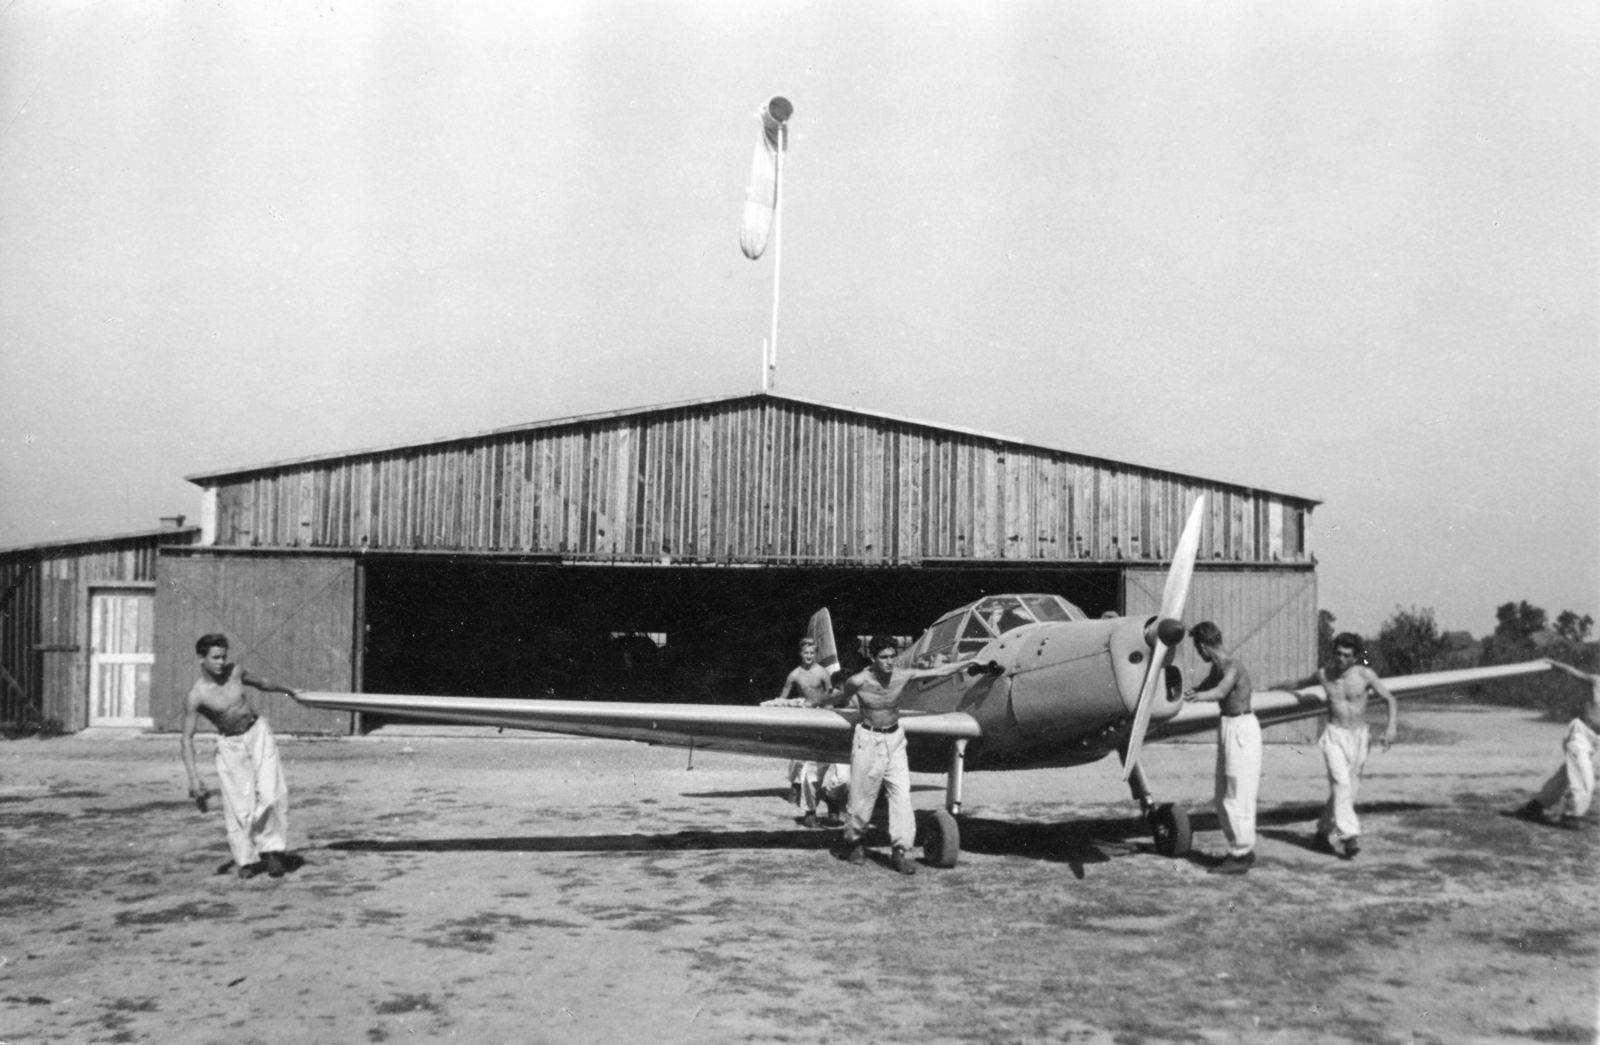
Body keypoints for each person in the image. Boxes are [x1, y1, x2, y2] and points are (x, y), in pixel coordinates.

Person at [180, 634, 299, 879]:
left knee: (271, 793)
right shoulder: (197, 695)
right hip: (231, 745)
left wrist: (290, 691)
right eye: (215, 657)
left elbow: (262, 682)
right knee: (239, 806)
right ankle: (247, 860)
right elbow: (186, 738)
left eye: (224, 656)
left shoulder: (235, 672)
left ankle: (273, 852)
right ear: (201, 658)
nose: (221, 662)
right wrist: (193, 778)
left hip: (258, 734)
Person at [815, 636, 921, 875]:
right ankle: (854, 842)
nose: (890, 662)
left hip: (895, 740)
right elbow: (837, 697)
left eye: (893, 656)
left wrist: (975, 662)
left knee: (902, 795)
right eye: (884, 657)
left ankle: (900, 851)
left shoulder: (901, 675)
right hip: (868, 740)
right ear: (872, 658)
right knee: (861, 798)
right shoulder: (858, 680)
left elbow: (940, 670)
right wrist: (812, 703)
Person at [1182, 622, 1260, 875]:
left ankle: (1241, 853)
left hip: (1242, 729)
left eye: (1197, 648)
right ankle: (1242, 849)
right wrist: (1181, 693)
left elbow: (1220, 691)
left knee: (1237, 793)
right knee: (1222, 795)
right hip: (1228, 726)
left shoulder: (1233, 666)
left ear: (1203, 647)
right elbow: (1203, 688)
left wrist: (1197, 697)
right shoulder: (1218, 668)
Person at [1313, 633, 1398, 859]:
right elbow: (1300, 684)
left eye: (1346, 655)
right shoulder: (1324, 675)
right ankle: (1350, 838)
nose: (1340, 658)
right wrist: (1276, 688)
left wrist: (1391, 728)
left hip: (1359, 736)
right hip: (1334, 734)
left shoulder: (1365, 675)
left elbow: (1390, 699)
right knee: (1341, 784)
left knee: (1347, 791)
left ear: (1354, 657)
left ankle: (1322, 832)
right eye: (1338, 654)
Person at [762, 637, 849, 828]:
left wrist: (833, 716)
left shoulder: (822, 672)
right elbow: (782, 697)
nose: (809, 656)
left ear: (815, 654)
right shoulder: (794, 675)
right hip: (805, 715)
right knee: (800, 758)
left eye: (812, 653)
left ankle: (830, 797)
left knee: (841, 773)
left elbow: (832, 692)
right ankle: (801, 794)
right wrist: (779, 710)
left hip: (825, 715)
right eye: (806, 653)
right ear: (800, 654)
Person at [1516, 660, 1600, 828]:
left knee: (1566, 776)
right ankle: (1570, 815)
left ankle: (1535, 806)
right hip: (1581, 734)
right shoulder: (1596, 680)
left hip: (1596, 741)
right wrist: (1551, 663)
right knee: (1584, 776)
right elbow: (1571, 670)